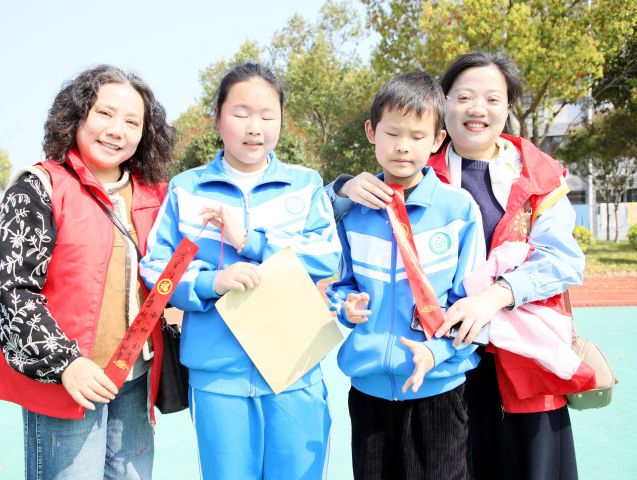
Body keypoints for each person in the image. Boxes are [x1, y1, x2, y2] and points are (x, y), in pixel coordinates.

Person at [327, 51, 586, 480]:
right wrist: (342, 189)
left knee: (527, 466)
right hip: (442, 364)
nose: (477, 108)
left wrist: (496, 295)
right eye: (463, 96)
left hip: (515, 357)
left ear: (508, 107)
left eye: (492, 99)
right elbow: (328, 221)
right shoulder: (411, 166)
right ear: (444, 105)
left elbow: (564, 260)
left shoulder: (537, 175)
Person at [139, 63, 341, 480]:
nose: (255, 127)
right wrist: (210, 282)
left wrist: (252, 242)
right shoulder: (186, 189)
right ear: (217, 117)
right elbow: (157, 269)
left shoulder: (305, 185)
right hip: (217, 378)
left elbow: (326, 255)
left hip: (295, 370)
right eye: (241, 113)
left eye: (267, 116)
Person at [0, 65, 175, 479]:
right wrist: (66, 364)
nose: (116, 130)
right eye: (104, 114)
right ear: (77, 115)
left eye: (132, 122)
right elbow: (11, 291)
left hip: (135, 377)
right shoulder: (38, 187)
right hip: (68, 381)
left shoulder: (157, 193)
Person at [326, 71, 485, 480]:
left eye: (417, 136)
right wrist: (345, 307)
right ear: (371, 132)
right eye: (392, 133)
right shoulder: (353, 211)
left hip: (439, 388)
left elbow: (473, 306)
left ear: (437, 140)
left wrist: (438, 352)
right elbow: (340, 285)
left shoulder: (458, 210)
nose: (402, 146)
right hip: (369, 393)